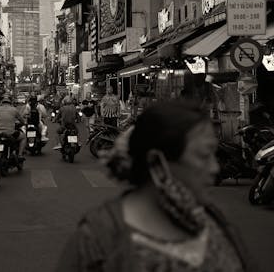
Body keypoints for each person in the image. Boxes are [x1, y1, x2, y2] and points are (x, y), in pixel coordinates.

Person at [56, 101, 259, 272]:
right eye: (203, 156)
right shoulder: (98, 239)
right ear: (157, 163)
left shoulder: (214, 220)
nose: (214, 168)